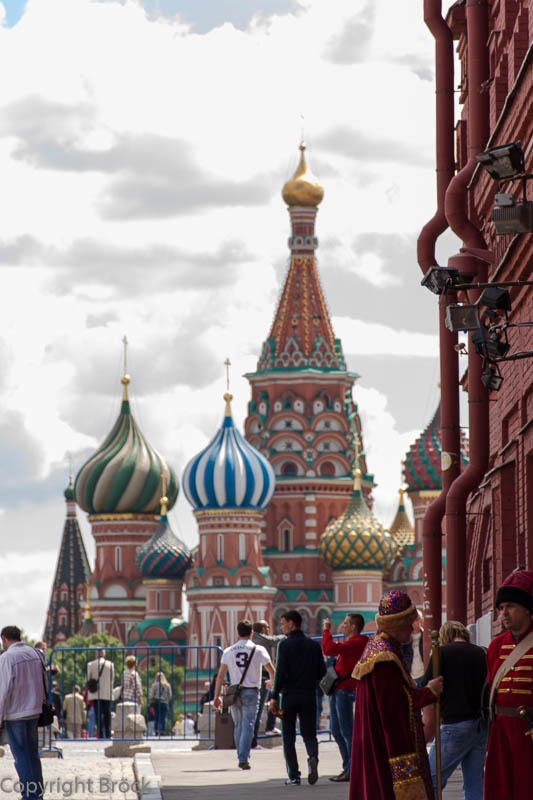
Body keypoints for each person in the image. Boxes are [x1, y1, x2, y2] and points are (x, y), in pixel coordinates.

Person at [350, 590, 443, 800]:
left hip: (374, 743)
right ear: (396, 624)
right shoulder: (385, 659)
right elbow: (394, 711)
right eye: (408, 623)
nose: (411, 630)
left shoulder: (380, 648)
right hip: (385, 750)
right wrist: (429, 692)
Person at [421, 620, 488, 800]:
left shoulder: (441, 653)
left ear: (445, 636)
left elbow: (426, 686)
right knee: (474, 782)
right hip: (480, 725)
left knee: (430, 781)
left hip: (454, 724)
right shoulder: (482, 653)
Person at [484, 569, 533, 800]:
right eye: (501, 608)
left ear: (527, 609)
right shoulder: (495, 646)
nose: (504, 613)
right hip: (500, 733)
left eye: (510, 606)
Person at [269, 609, 326, 786]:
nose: (281, 626)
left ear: (292, 623)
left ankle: (294, 775)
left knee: (289, 736)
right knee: (309, 733)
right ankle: (313, 757)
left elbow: (280, 673)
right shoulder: (314, 645)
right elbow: (322, 672)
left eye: (283, 623)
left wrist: (274, 696)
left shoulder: (284, 646)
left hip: (289, 696)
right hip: (309, 695)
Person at [213, 619, 274, 770]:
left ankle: (241, 755)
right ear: (252, 633)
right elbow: (272, 670)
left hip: (233, 692)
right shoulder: (258, 649)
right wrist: (272, 682)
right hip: (252, 691)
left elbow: (220, 675)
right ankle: (243, 757)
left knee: (238, 725)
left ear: (237, 633)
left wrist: (216, 696)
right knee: (248, 725)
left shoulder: (228, 651)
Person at [0, 625, 46, 800]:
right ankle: (38, 792)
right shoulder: (35, 653)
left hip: (15, 713)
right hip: (34, 711)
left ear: (4, 638)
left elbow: (2, 690)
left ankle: (30, 795)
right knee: (33, 753)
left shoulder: (7, 658)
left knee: (21, 756)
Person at [322, 612, 367, 782]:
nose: (342, 625)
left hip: (345, 690)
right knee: (336, 730)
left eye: (346, 623)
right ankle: (347, 766)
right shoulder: (351, 643)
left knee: (346, 730)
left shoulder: (358, 642)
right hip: (338, 689)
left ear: (353, 627)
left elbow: (328, 649)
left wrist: (326, 631)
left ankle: (352, 768)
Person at [251, 619, 285, 745]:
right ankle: (254, 741)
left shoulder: (253, 638)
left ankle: (270, 727)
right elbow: (273, 640)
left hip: (262, 678)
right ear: (262, 629)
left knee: (275, 697)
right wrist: (287, 635)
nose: (269, 630)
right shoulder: (259, 638)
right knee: (258, 711)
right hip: (262, 678)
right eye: (267, 628)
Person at [87, 648, 114, 738]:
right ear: (104, 654)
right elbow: (112, 679)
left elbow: (88, 679)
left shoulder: (90, 664)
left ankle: (100, 734)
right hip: (107, 693)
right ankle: (108, 733)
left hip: (95, 693)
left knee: (98, 715)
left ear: (96, 654)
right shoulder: (110, 664)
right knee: (107, 714)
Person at [401, 612, 425, 686]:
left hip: (423, 675)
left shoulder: (426, 636)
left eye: (415, 620)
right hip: (409, 675)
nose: (413, 623)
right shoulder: (404, 638)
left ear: (421, 620)